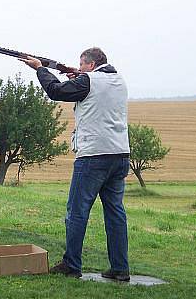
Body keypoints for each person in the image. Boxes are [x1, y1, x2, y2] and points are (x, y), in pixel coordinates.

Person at [19, 47, 131, 281]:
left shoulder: (88, 80)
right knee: (115, 214)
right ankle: (120, 268)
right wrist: (78, 78)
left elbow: (55, 90)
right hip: (120, 154)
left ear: (90, 65)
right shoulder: (118, 80)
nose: (79, 69)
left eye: (81, 65)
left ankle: (72, 264)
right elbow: (89, 91)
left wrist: (40, 69)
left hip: (93, 156)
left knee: (77, 213)